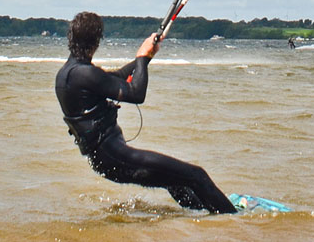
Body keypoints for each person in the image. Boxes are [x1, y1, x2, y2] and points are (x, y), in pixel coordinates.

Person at [55, 11, 236, 214]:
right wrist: (141, 57)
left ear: (71, 38)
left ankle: (203, 217)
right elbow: (136, 93)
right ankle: (237, 221)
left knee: (175, 182)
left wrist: (146, 57)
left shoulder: (69, 73)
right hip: (114, 157)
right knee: (197, 175)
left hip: (105, 161)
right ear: (97, 41)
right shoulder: (84, 73)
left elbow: (116, 79)